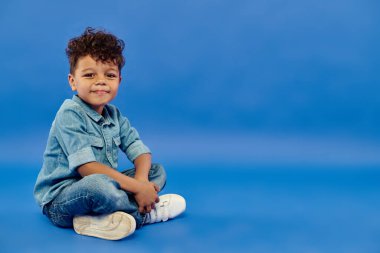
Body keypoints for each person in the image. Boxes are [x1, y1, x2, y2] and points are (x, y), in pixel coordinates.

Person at [33, 27, 186, 240]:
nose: (101, 81)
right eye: (89, 75)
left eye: (110, 75)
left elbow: (140, 152)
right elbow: (87, 169)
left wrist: (141, 182)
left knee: (156, 171)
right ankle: (145, 213)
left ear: (119, 81)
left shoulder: (114, 114)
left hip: (107, 187)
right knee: (99, 185)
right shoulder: (69, 113)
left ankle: (98, 221)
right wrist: (138, 189)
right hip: (62, 201)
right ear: (73, 81)